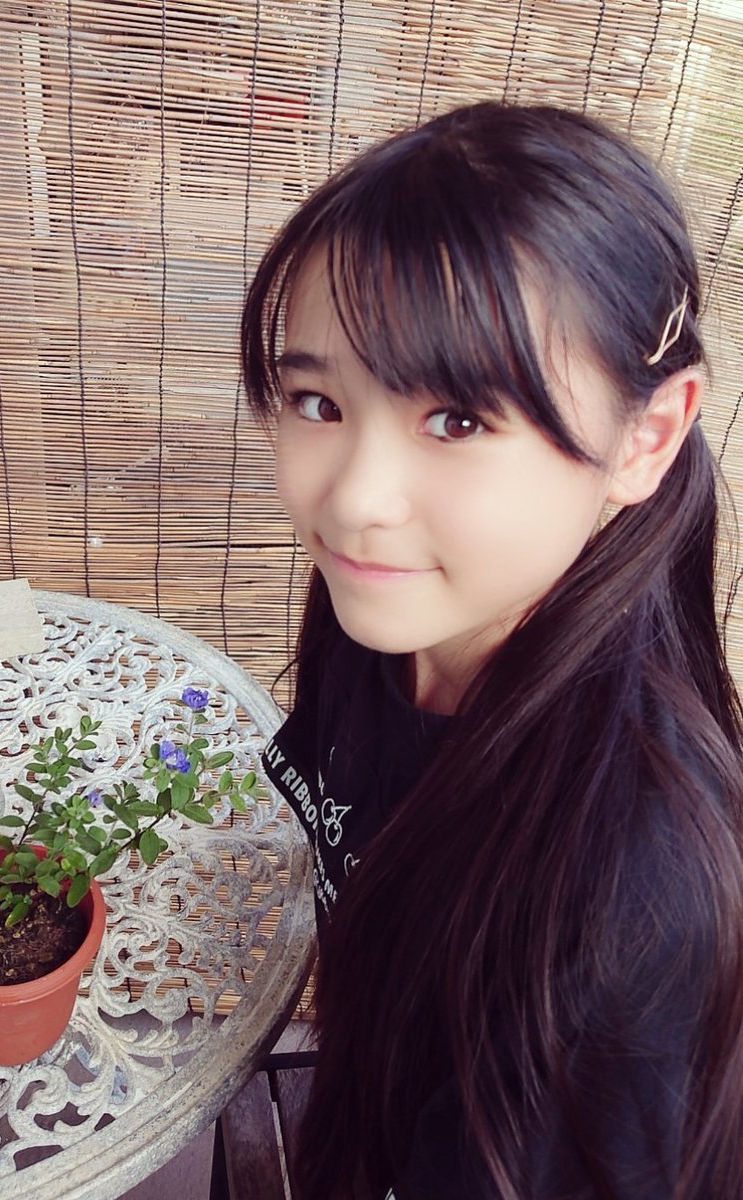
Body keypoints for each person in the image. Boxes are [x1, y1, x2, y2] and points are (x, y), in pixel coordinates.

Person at [240, 101, 743, 1199]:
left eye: (458, 420)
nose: (354, 499)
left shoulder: (625, 911)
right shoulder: (395, 610)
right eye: (318, 400)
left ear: (645, 436)